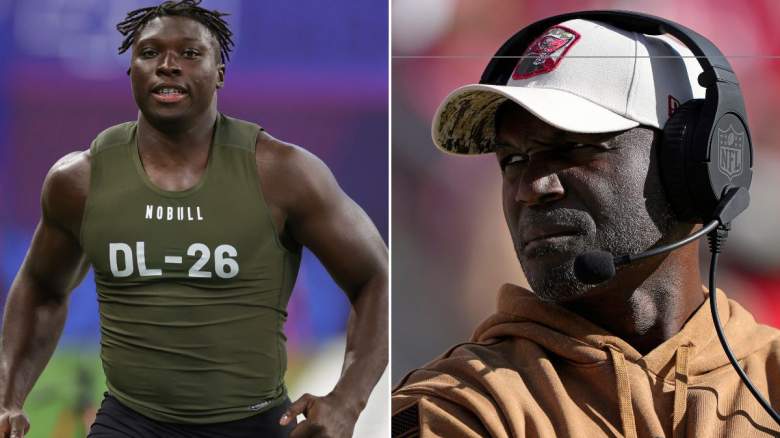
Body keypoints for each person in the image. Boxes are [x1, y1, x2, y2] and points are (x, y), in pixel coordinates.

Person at [0, 1, 388, 437]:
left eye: (189, 53)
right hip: (130, 423)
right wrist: (7, 399)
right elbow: (41, 287)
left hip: (253, 423)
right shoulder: (79, 180)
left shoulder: (283, 173)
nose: (168, 65)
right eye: (149, 53)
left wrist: (348, 401)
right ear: (131, 71)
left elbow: (377, 278)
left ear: (219, 72)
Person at [392, 15, 780, 438]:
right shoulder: (459, 404)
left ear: (688, 165)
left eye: (572, 147)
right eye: (513, 160)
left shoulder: (770, 376)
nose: (530, 188)